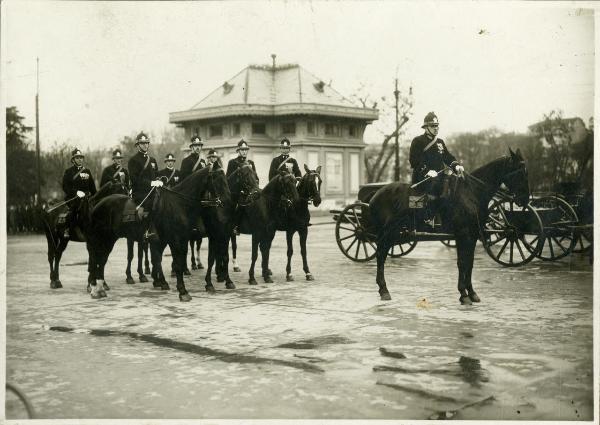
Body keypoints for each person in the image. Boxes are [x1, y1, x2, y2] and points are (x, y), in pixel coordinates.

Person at [409, 112, 464, 228]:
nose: (436, 128)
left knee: (454, 188)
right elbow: (414, 161)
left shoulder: (440, 142)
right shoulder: (418, 141)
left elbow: (447, 157)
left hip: (439, 176)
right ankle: (428, 219)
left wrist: (456, 165)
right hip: (423, 178)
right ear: (426, 127)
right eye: (433, 126)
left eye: (437, 126)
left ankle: (448, 219)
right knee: (434, 192)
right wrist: (427, 171)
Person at [127, 132, 163, 239]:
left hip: (154, 191)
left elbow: (156, 174)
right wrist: (151, 183)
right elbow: (135, 179)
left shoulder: (152, 160)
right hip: (140, 192)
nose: (145, 145)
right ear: (137, 145)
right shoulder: (133, 160)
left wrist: (158, 180)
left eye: (147, 143)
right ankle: (146, 230)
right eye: (142, 143)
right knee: (150, 204)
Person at [62, 148, 97, 238]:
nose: (80, 159)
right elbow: (65, 187)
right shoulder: (69, 172)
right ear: (73, 160)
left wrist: (96, 197)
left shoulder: (87, 171)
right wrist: (76, 192)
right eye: (77, 158)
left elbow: (93, 188)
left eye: (81, 157)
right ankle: (68, 229)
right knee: (74, 209)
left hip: (87, 198)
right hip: (73, 198)